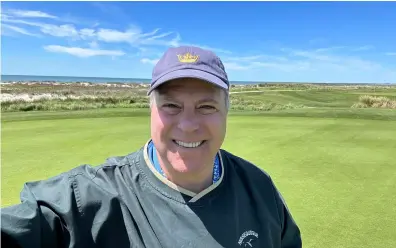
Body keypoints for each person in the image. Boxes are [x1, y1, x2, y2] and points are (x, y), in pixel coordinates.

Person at [1, 46, 302, 248]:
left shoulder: (259, 189)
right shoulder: (90, 198)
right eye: (171, 105)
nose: (187, 125)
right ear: (151, 110)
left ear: (227, 110)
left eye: (206, 106)